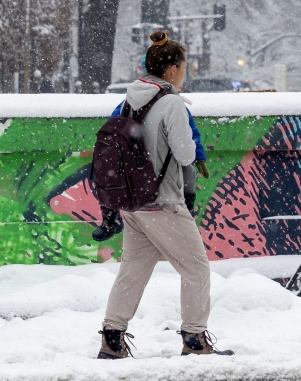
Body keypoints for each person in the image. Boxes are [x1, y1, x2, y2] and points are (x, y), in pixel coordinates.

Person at [97, 30, 232, 359]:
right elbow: (185, 155)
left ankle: (112, 339)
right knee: (196, 268)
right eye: (184, 69)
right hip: (163, 202)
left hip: (133, 202)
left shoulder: (129, 99)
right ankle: (195, 339)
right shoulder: (171, 102)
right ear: (171, 69)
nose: (185, 75)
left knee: (133, 271)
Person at [93, 102, 207, 241]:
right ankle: (111, 216)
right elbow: (112, 129)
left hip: (164, 157)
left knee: (189, 173)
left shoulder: (174, 106)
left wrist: (199, 156)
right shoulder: (127, 105)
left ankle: (187, 210)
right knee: (106, 172)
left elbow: (190, 134)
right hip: (133, 156)